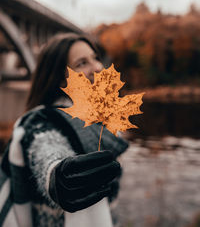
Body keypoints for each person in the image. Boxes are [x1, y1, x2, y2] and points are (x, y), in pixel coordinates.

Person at [0, 33, 128, 227]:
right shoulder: (42, 121)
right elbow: (46, 148)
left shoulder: (96, 120)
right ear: (61, 80)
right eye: (82, 63)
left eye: (95, 58)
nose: (98, 67)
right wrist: (57, 176)